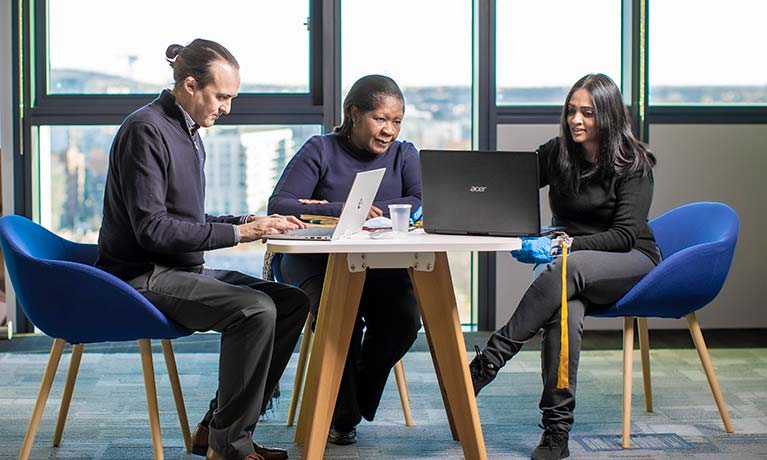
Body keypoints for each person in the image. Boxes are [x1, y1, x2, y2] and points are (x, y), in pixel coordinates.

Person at [96, 39, 310, 460]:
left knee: (290, 302)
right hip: (142, 276)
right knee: (254, 310)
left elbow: (186, 217)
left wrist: (247, 222)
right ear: (190, 85)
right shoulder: (146, 130)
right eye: (222, 96)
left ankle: (218, 428)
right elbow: (153, 230)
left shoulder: (188, 131)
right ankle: (229, 446)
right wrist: (240, 236)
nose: (227, 108)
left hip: (179, 271)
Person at [469, 73, 660, 460]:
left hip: (629, 262)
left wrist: (561, 244)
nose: (576, 120)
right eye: (572, 111)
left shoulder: (633, 163)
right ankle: (557, 432)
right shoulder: (559, 153)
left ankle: (489, 361)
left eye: (587, 112)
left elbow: (624, 235)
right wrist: (458, 198)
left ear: (606, 116)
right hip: (571, 266)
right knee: (564, 312)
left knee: (566, 270)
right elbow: (509, 184)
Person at [267, 74, 422, 445]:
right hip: (316, 263)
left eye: (396, 121)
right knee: (342, 318)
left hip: (379, 264)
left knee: (404, 321)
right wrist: (348, 209)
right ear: (353, 114)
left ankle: (352, 395)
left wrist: (327, 208)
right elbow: (281, 206)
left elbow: (421, 202)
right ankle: (345, 416)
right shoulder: (319, 149)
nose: (389, 130)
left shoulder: (405, 154)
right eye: (380, 119)